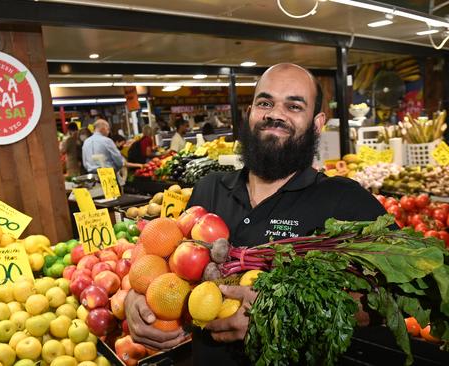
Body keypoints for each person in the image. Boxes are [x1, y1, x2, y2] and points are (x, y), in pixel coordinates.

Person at [124, 63, 387, 365]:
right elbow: (169, 267)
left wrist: (283, 313)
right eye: (265, 102)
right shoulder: (208, 190)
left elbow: (399, 299)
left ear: (317, 124)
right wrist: (137, 297)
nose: (275, 113)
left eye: (294, 105)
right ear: (249, 113)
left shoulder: (343, 199)